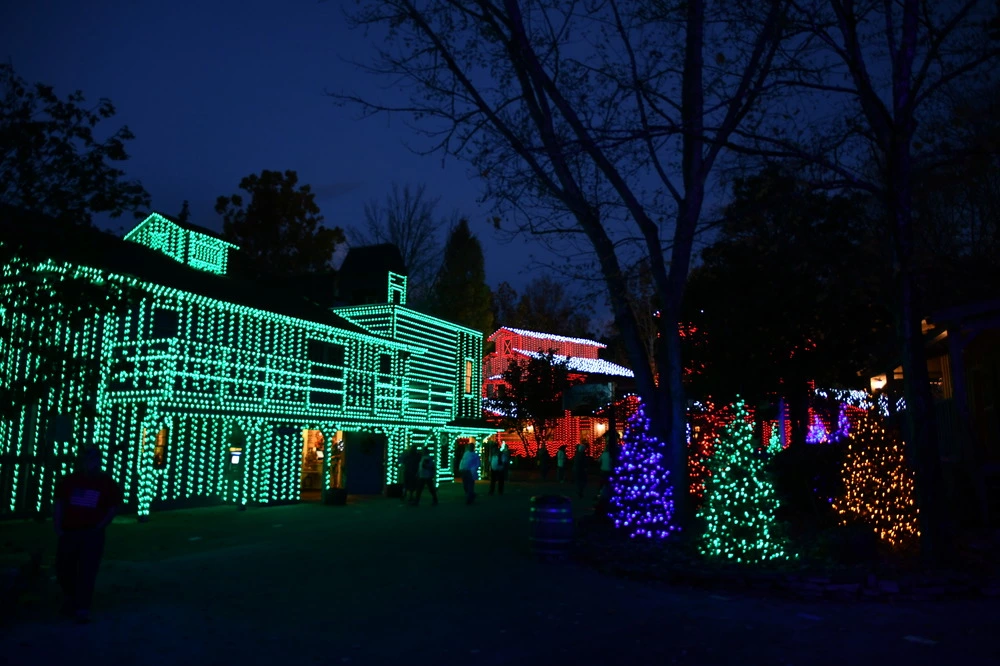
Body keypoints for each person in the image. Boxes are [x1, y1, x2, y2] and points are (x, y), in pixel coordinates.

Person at [53, 446, 122, 624]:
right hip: (70, 531)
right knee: (64, 568)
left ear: (98, 461)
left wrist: (100, 526)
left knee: (87, 570)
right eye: (86, 459)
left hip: (92, 532)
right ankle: (71, 598)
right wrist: (58, 527)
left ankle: (82, 607)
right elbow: (59, 503)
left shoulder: (106, 483)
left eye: (93, 459)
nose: (89, 463)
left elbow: (113, 507)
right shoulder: (69, 481)